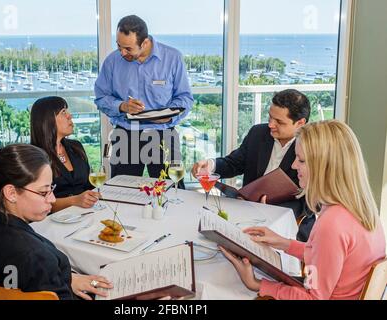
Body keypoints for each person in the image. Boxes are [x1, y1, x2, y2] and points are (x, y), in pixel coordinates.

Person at [219, 120, 386, 300]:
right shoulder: (361, 208)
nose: (293, 166)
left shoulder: (332, 224)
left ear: (325, 167)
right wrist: (283, 242)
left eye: (301, 160)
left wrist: (257, 284)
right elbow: (327, 256)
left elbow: (313, 297)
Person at [0, 144, 113, 300]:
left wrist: (67, 279)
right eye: (43, 192)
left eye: (52, 189)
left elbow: (21, 277)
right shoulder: (35, 256)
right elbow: (36, 265)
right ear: (11, 193)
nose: (53, 199)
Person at [192, 89, 315, 241]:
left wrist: (271, 209)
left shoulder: (312, 147)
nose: (271, 124)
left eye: (279, 122)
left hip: (289, 226)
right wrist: (210, 165)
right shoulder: (258, 133)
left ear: (300, 123)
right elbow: (234, 163)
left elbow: (312, 201)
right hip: (246, 216)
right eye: (270, 117)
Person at [94, 15, 193, 186]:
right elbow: (101, 98)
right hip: (126, 134)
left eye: (128, 48)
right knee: (121, 192)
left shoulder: (173, 58)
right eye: (119, 46)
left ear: (145, 43)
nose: (122, 52)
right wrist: (122, 106)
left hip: (164, 134)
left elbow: (185, 97)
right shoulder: (112, 61)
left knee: (172, 190)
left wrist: (170, 116)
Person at [30, 96, 100, 212]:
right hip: (51, 222)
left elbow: (89, 186)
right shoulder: (35, 157)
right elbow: (38, 203)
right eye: (63, 112)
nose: (69, 115)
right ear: (48, 120)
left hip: (85, 214)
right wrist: (75, 200)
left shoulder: (76, 147)